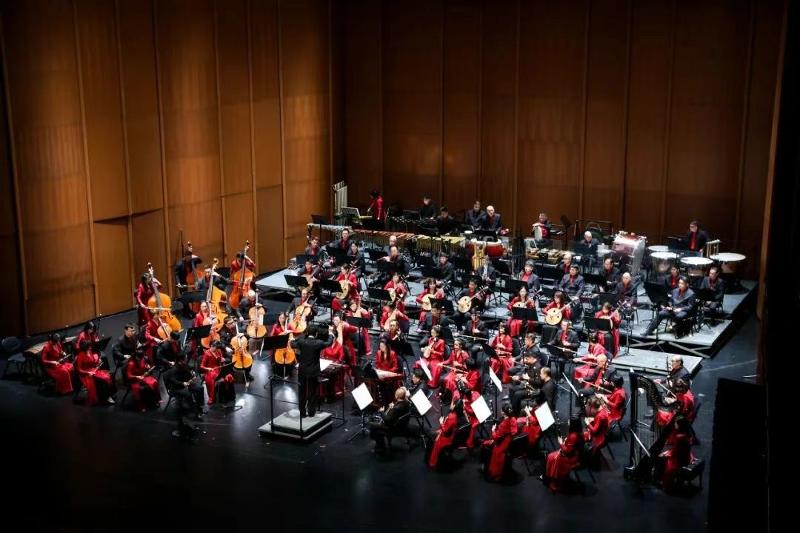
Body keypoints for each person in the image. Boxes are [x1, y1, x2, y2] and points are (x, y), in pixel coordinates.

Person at [290, 325, 334, 417]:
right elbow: (328, 343)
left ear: (307, 333)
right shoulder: (318, 343)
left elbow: (292, 344)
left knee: (302, 391)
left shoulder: (302, 341)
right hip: (313, 371)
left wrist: (297, 337)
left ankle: (302, 412)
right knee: (312, 391)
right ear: (316, 334)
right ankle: (311, 412)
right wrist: (330, 334)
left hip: (302, 370)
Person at [163, 351, 205, 437]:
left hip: (186, 384)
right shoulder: (174, 369)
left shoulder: (184, 365)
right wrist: (183, 384)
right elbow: (173, 381)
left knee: (200, 388)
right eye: (185, 358)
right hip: (176, 387)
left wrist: (192, 376)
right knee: (188, 394)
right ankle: (193, 412)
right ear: (180, 361)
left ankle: (199, 407)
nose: (186, 359)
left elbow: (188, 373)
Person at [543, 417, 584, 492]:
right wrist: (566, 441)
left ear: (573, 425)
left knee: (551, 457)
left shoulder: (573, 436)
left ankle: (555, 481)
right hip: (575, 454)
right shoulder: (579, 432)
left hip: (571, 458)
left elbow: (567, 451)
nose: (568, 422)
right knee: (551, 456)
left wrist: (561, 443)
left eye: (569, 421)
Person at [481, 403, 518, 481]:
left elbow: (495, 437)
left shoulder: (504, 424)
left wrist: (493, 429)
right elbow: (513, 431)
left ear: (503, 412)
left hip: (502, 444)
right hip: (510, 441)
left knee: (486, 444)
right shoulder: (513, 418)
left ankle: (494, 472)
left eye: (501, 410)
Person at [369, 387, 411, 453]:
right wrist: (392, 407)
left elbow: (387, 420)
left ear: (396, 396)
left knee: (372, 426)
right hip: (402, 425)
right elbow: (397, 410)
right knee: (375, 425)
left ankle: (380, 447)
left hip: (392, 427)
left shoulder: (396, 408)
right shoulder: (407, 403)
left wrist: (382, 412)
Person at [75, 339, 116, 406]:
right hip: (86, 374)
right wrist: (88, 373)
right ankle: (106, 397)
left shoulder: (90, 352)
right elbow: (79, 369)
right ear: (85, 347)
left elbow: (93, 363)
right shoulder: (80, 356)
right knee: (102, 380)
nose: (90, 347)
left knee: (108, 376)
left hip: (94, 370)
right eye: (89, 346)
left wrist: (98, 361)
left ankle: (110, 394)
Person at [659, 416, 694, 493]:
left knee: (661, 458)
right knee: (664, 455)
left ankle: (664, 482)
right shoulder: (686, 434)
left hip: (680, 460)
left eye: (675, 423)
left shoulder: (679, 437)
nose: (674, 424)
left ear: (679, 425)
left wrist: (666, 454)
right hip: (687, 456)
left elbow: (674, 453)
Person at [428, 400, 466, 468]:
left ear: (454, 406)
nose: (451, 404)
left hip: (447, 438)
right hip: (453, 434)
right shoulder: (459, 414)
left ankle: (433, 463)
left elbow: (445, 431)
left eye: (452, 403)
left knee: (433, 437)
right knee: (434, 433)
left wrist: (441, 422)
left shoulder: (452, 417)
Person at [199, 341, 235, 406]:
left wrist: (223, 359)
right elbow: (201, 366)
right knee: (214, 378)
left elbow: (221, 360)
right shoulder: (207, 353)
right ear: (211, 346)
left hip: (219, 368)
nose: (217, 349)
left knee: (229, 376)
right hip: (211, 370)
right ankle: (212, 397)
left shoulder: (218, 351)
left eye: (217, 348)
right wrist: (208, 368)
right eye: (215, 348)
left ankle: (229, 396)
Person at [508, 349, 542, 415]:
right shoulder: (531, 364)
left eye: (527, 359)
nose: (525, 360)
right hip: (527, 384)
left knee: (517, 394)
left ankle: (515, 412)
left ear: (532, 358)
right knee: (512, 389)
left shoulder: (538, 368)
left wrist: (529, 379)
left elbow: (539, 382)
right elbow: (526, 375)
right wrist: (519, 377)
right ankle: (514, 406)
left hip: (533, 389)